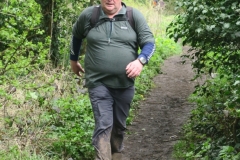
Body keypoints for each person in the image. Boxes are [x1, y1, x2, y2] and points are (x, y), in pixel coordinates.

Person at [70, 0, 155, 159]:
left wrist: (140, 61)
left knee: (118, 127)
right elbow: (76, 36)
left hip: (124, 84)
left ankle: (116, 153)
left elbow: (149, 43)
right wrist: (73, 60)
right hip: (98, 82)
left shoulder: (132, 15)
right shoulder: (90, 15)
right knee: (103, 125)